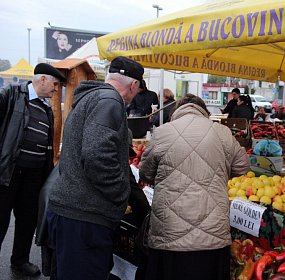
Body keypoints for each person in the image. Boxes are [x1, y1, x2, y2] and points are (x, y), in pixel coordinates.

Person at [46, 56, 144, 280]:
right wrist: (120, 194)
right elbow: (96, 155)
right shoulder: (109, 101)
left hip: (72, 213)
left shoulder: (91, 98)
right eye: (138, 90)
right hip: (85, 218)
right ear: (134, 84)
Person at [139, 94, 250, 280]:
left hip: (170, 232)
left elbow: (146, 174)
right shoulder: (222, 132)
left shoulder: (163, 132)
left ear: (177, 111)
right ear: (204, 111)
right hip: (212, 234)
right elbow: (243, 167)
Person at [0, 63, 66, 276]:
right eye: (55, 84)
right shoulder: (12, 94)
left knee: (27, 220)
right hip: (9, 172)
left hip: (34, 175)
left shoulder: (46, 108)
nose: (57, 90)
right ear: (43, 80)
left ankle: (20, 260)